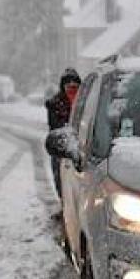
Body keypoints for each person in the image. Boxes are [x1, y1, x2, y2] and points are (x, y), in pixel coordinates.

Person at [45, 68, 81, 198]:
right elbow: (55, 128)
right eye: (68, 85)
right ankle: (64, 202)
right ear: (63, 86)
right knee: (60, 176)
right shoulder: (55, 104)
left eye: (75, 86)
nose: (71, 88)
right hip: (63, 146)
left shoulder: (85, 102)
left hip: (83, 145)